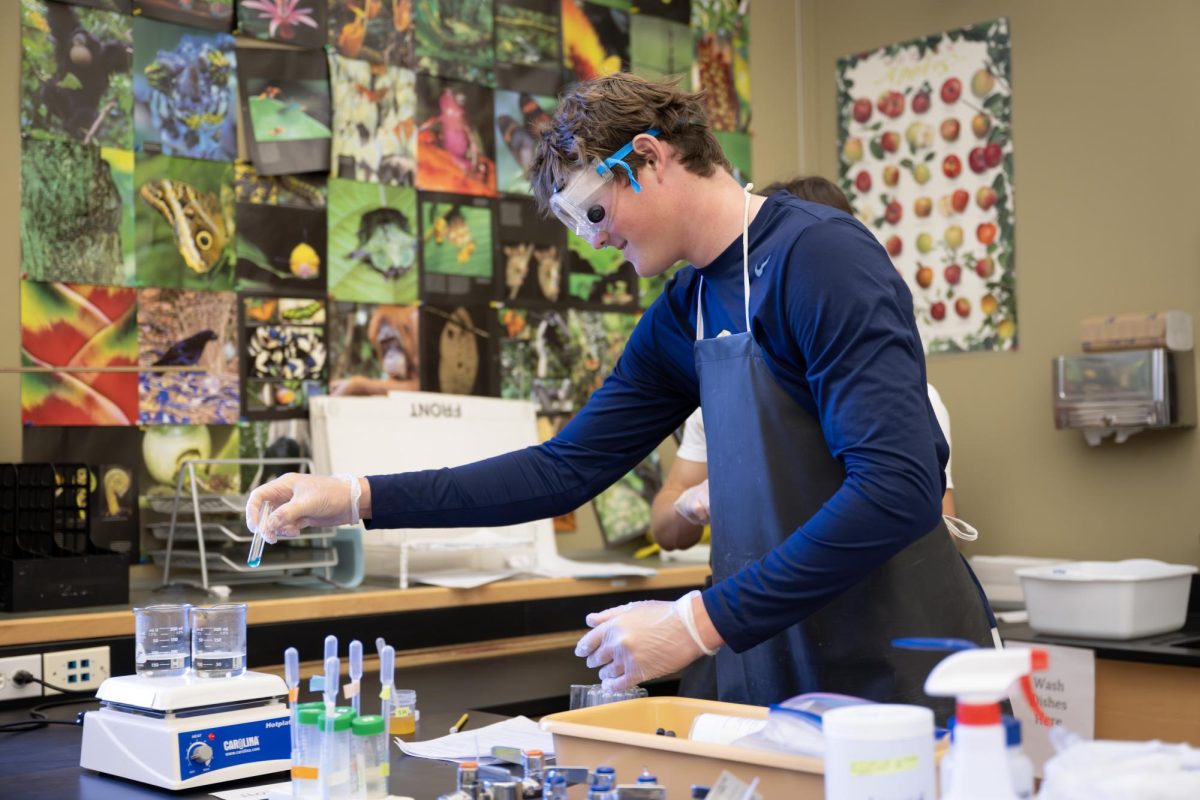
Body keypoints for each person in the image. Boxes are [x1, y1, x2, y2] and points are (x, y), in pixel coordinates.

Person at [247, 74, 993, 717]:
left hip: (895, 665)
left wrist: (695, 623)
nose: (593, 243)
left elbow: (898, 487)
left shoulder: (821, 257)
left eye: (592, 212)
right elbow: (563, 470)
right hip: (770, 659)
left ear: (648, 158)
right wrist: (354, 495)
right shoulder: (686, 308)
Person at [652, 177, 958, 550]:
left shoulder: (906, 398)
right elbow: (664, 530)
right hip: (746, 601)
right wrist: (691, 504)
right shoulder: (721, 403)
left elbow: (940, 540)